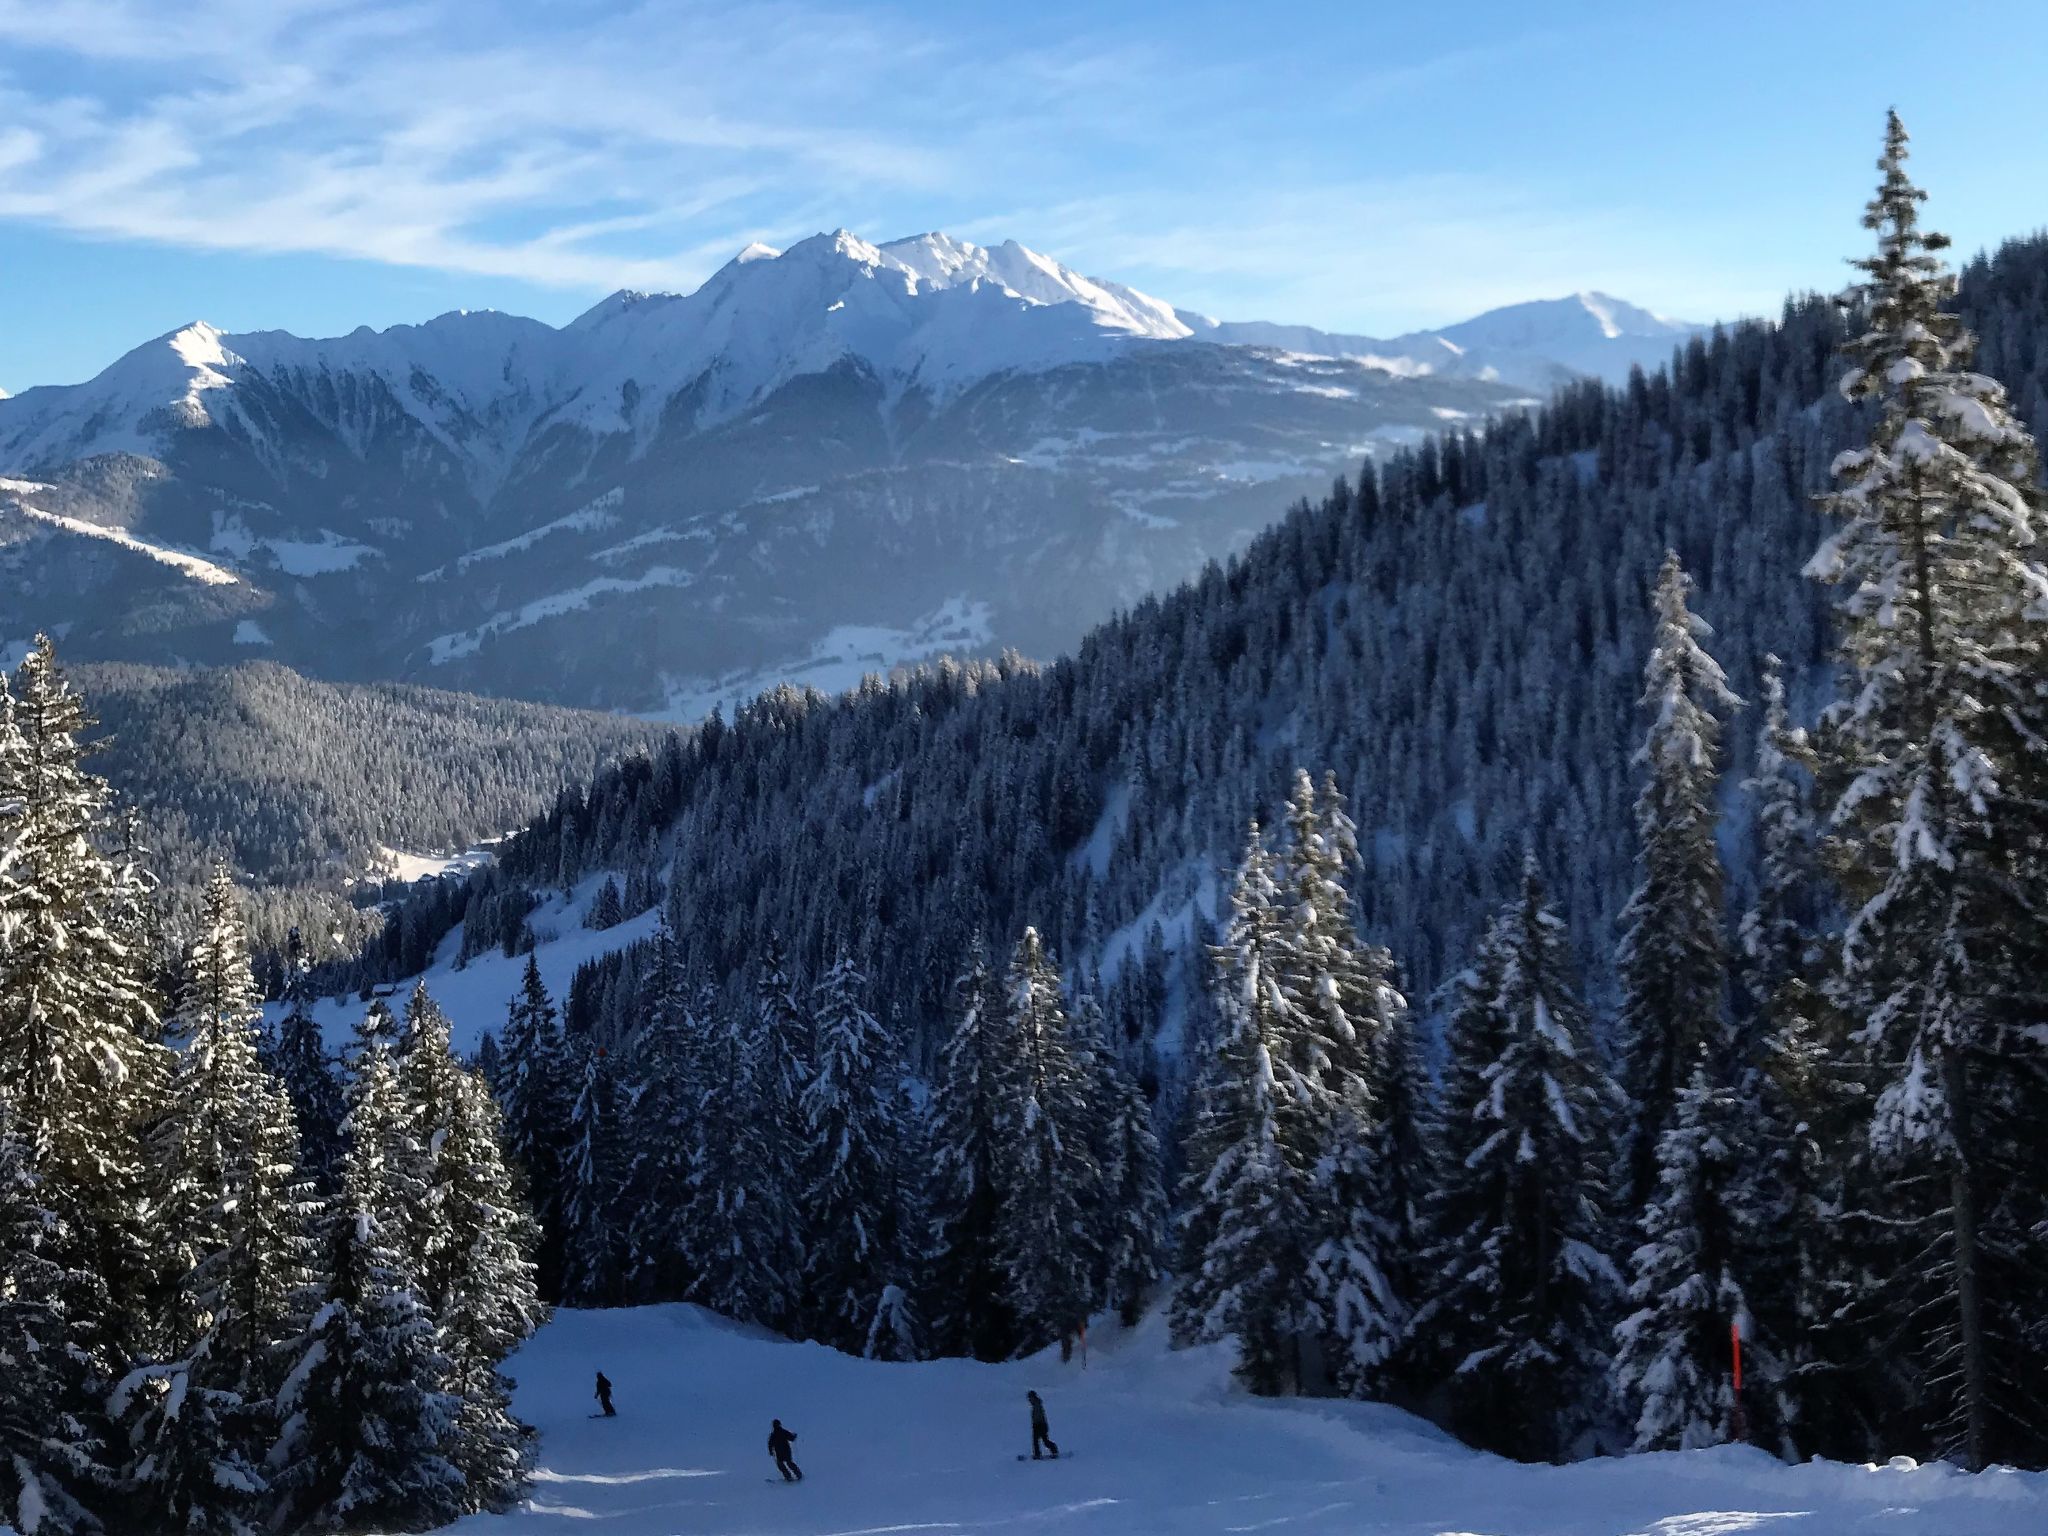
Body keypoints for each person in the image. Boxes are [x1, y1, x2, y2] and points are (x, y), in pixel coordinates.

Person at [1027, 1390, 1059, 1459]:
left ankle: (1051, 1451)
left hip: (1040, 1425)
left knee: (1042, 1441)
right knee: (1038, 1440)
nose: (1029, 1400)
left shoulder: (1037, 1405)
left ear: (1033, 1397)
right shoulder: (1035, 1405)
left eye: (1030, 1398)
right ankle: (1039, 1453)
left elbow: (1039, 1416)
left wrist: (1036, 1425)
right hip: (1039, 1425)